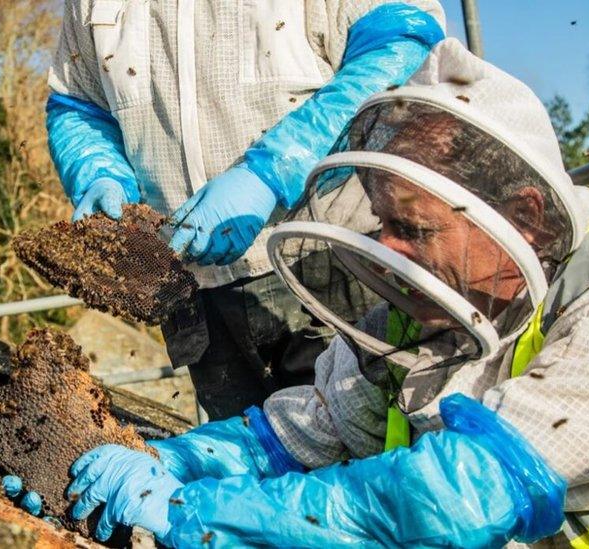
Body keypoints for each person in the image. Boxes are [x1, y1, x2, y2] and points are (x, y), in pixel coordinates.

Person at [53, 39, 589, 547]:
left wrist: (193, 514)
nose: (388, 251)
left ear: (522, 215)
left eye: (414, 229)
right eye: (382, 223)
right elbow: (300, 432)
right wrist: (167, 462)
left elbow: (456, 496)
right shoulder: (406, 320)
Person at [46, 0, 446, 419]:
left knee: (364, 451)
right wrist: (98, 173)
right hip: (195, 291)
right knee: (247, 461)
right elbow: (77, 104)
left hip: (335, 264)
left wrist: (272, 171)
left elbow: (403, 49)